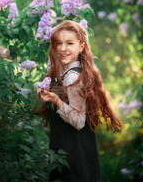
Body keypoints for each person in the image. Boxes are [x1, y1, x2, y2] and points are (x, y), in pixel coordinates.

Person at [38, 20, 122, 182]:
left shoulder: (73, 77)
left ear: (81, 46)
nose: (63, 48)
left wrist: (56, 100)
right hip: (70, 153)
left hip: (74, 158)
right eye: (59, 43)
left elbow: (79, 121)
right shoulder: (64, 72)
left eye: (70, 43)